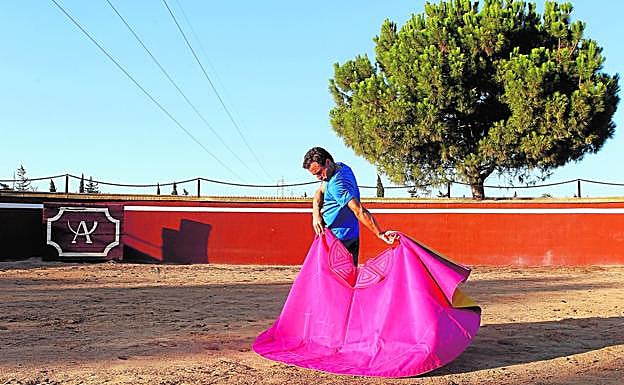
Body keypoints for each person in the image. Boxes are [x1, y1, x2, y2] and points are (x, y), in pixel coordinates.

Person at [302, 147, 397, 265]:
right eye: (315, 175)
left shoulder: (336, 185)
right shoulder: (342, 167)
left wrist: (380, 233)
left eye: (319, 173)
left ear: (327, 162)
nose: (319, 177)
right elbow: (319, 192)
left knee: (336, 280)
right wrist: (316, 214)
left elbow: (359, 211)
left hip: (339, 241)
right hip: (337, 237)